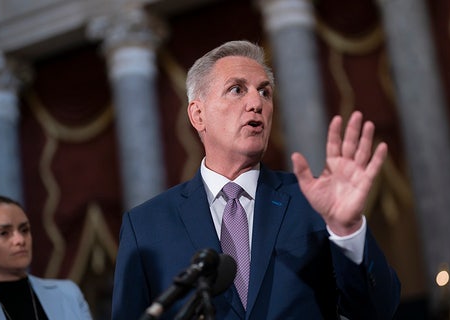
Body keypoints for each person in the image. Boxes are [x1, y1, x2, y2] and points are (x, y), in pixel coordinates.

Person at [112, 40, 401, 320]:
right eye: (237, 89)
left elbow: (377, 311)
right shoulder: (146, 227)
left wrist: (347, 229)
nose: (256, 103)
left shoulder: (314, 202)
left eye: (265, 92)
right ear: (198, 115)